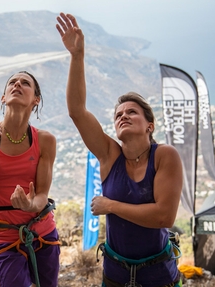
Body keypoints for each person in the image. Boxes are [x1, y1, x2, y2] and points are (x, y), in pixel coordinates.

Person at [56, 13, 183, 287]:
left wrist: (110, 205)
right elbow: (77, 111)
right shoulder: (109, 155)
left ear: (150, 124)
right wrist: (77, 56)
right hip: (115, 275)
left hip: (158, 277)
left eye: (132, 112)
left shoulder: (164, 156)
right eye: (118, 115)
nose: (123, 116)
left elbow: (164, 216)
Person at [0, 71, 60, 287]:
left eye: (25, 83)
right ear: (3, 97)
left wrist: (29, 205)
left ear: (36, 100)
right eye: (12, 82)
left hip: (43, 232)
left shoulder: (45, 140)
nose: (17, 84)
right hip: (5, 237)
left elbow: (42, 195)